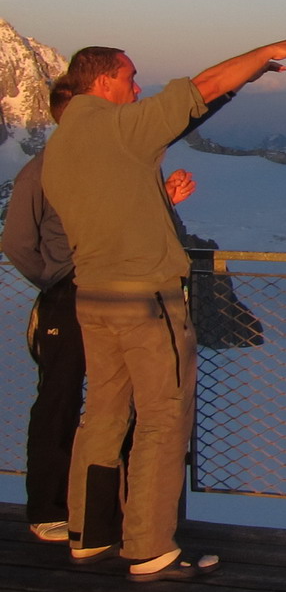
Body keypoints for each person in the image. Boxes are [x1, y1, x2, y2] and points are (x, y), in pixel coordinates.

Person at [42, 39, 286, 582]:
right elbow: (198, 90)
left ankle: (89, 534)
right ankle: (149, 546)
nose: (137, 88)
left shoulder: (62, 144)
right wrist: (265, 53)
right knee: (163, 420)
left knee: (103, 416)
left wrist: (160, 198)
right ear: (103, 83)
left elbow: (116, 202)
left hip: (93, 299)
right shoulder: (121, 129)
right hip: (145, 301)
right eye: (130, 77)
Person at [3, 83, 197, 544]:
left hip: (102, 288)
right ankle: (50, 509)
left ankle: (103, 515)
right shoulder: (42, 168)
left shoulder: (105, 167)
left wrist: (163, 200)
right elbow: (16, 243)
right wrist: (53, 283)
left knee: (114, 405)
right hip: (71, 296)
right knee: (62, 401)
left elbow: (121, 222)